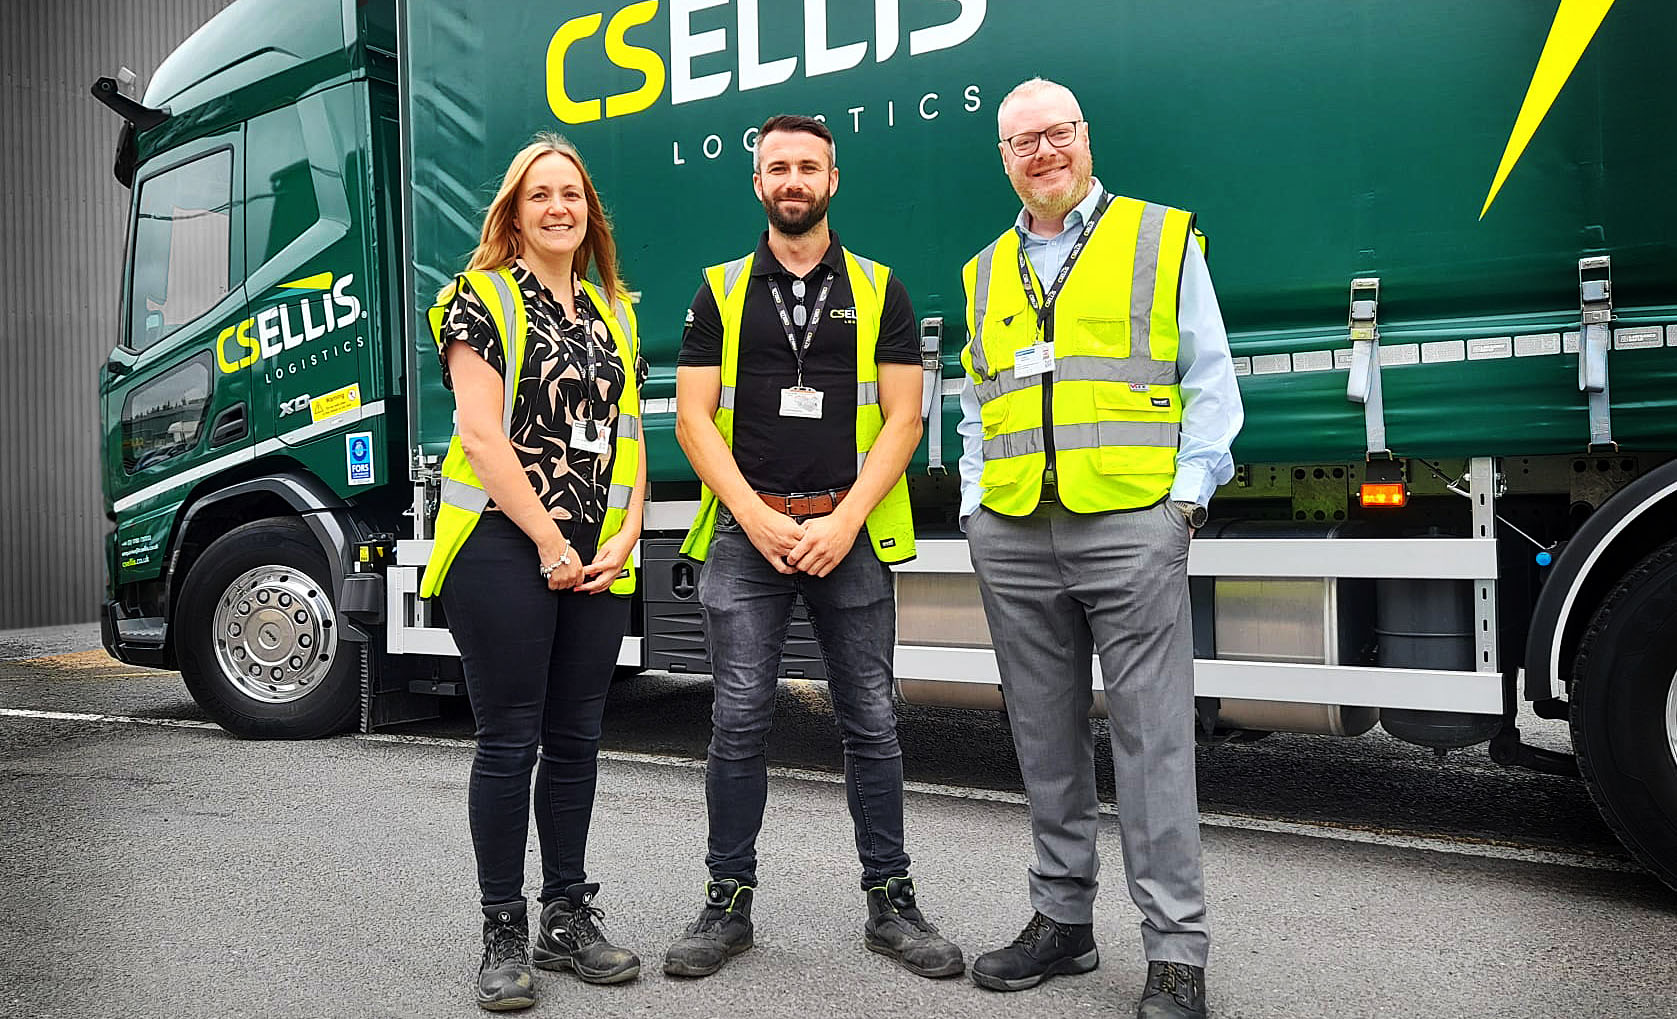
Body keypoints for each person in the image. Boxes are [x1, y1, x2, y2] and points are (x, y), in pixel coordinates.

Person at [956, 79, 1244, 1019]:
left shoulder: (1159, 238)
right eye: (1020, 142)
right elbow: (977, 402)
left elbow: (1210, 379)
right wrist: (973, 508)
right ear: (1002, 158)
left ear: (1085, 137)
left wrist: (1183, 506)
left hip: (1129, 525)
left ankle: (1173, 952)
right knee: (1043, 741)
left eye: (1056, 133)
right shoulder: (985, 269)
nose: (1041, 152)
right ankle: (1062, 923)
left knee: (1152, 742)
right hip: (1015, 531)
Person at [667, 114, 964, 981]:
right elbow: (692, 417)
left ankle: (891, 900)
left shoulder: (880, 289)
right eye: (776, 168)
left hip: (849, 528)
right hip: (745, 530)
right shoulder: (717, 291)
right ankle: (726, 902)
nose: (792, 180)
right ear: (756, 184)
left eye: (807, 166)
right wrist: (756, 518)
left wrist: (843, 522)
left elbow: (904, 417)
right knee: (736, 719)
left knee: (871, 719)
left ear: (833, 178)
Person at [417, 134, 648, 1011]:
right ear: (513, 214)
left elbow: (627, 432)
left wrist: (624, 533)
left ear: (589, 214)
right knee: (511, 737)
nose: (559, 207)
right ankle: (501, 927)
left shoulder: (613, 310)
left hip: (594, 552)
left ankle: (566, 913)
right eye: (540, 195)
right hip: (502, 545)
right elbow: (481, 435)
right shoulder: (476, 299)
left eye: (573, 195)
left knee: (579, 738)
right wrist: (551, 540)